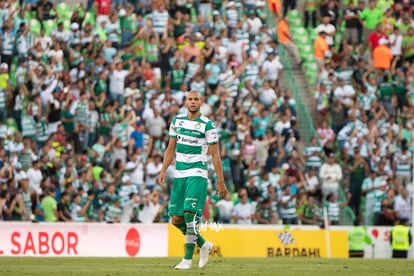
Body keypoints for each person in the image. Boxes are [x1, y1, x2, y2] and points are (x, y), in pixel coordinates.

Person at [158, 91, 228, 270]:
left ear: (202, 102)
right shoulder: (177, 121)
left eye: (196, 99)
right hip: (179, 175)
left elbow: (215, 154)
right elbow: (170, 148)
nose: (193, 102)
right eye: (190, 99)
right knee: (175, 219)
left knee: (190, 215)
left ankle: (187, 259)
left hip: (197, 173)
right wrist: (163, 169)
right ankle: (204, 244)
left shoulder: (208, 125)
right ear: (185, 102)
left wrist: (220, 181)